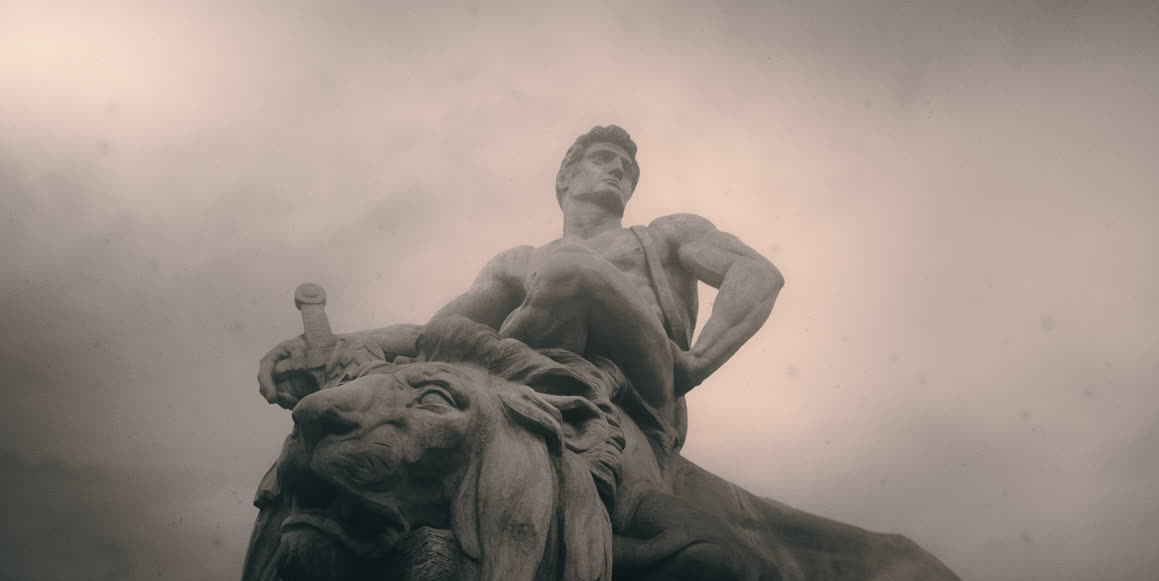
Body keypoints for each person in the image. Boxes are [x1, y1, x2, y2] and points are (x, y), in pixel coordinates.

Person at [258, 125, 783, 446]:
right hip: (535, 372)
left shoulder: (666, 235)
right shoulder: (518, 264)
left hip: (644, 386)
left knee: (568, 270)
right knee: (463, 338)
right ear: (566, 177)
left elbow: (756, 274)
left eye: (628, 169)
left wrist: (696, 363)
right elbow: (437, 332)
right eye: (605, 160)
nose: (620, 172)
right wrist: (341, 343)